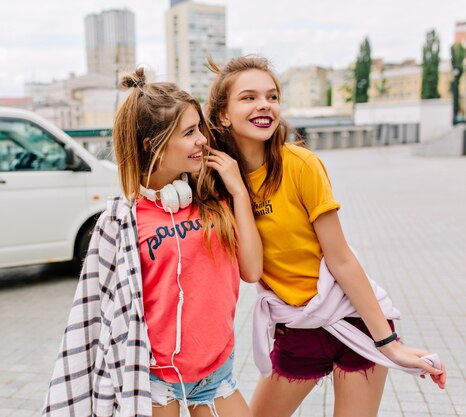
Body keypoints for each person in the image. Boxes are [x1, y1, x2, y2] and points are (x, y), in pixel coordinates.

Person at [205, 55, 447, 417]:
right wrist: (239, 192)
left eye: (272, 96)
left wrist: (389, 343)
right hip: (298, 329)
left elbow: (342, 257)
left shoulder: (301, 165)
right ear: (223, 114)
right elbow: (251, 272)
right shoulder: (219, 185)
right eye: (249, 97)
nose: (264, 105)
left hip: (354, 322)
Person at [43, 68, 262, 417]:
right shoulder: (123, 222)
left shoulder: (213, 200)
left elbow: (252, 270)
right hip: (156, 382)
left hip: (217, 375)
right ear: (153, 146)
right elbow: (99, 312)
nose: (202, 140)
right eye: (189, 133)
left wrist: (237, 192)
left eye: (200, 129)